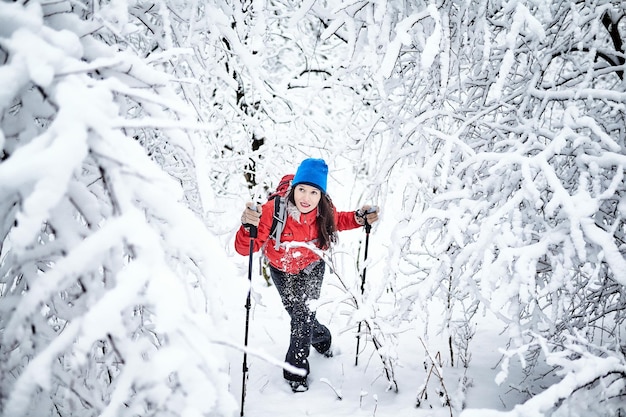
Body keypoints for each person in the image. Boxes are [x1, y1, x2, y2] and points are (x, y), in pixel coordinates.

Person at [234, 158, 379, 393]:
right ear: (294, 189)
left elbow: (338, 220)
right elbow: (244, 248)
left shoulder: (324, 209)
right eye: (301, 189)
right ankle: (322, 339)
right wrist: (247, 226)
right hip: (281, 269)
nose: (306, 197)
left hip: (312, 267)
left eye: (313, 192)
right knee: (300, 316)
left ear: (320, 194)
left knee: (302, 316)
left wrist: (358, 218)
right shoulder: (274, 211)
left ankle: (295, 373)